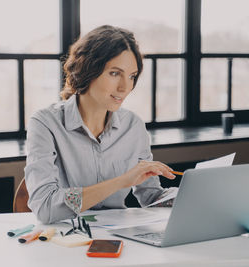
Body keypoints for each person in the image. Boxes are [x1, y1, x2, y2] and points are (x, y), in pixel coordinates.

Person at [25, 25, 175, 224]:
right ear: (88, 69)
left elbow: (151, 196)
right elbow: (45, 206)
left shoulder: (133, 126)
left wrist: (186, 196)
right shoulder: (45, 124)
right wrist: (122, 181)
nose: (125, 87)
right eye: (114, 73)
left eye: (131, 76)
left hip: (120, 239)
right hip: (65, 240)